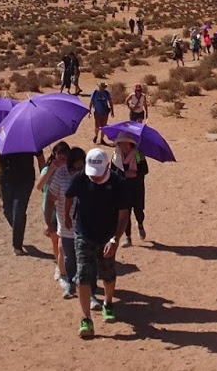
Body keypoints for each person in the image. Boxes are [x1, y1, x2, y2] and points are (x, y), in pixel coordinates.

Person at [63, 148, 132, 338]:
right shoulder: (81, 178)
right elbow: (69, 195)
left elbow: (124, 215)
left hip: (108, 236)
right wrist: (67, 216)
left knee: (107, 273)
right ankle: (86, 318)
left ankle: (108, 303)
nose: (93, 178)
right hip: (84, 233)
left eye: (98, 174)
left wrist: (115, 239)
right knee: (83, 274)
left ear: (107, 167)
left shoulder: (119, 184)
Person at [41, 144, 83, 299]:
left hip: (84, 223)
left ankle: (85, 286)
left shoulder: (89, 174)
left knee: (82, 254)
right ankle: (68, 281)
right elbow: (49, 198)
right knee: (65, 252)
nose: (76, 171)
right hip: (64, 222)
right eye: (74, 168)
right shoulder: (60, 174)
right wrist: (48, 221)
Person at [0, 141, 43, 255]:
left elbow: (40, 158)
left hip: (25, 180)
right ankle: (18, 228)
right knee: (8, 211)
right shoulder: (2, 136)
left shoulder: (29, 137)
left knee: (18, 211)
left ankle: (17, 245)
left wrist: (45, 178)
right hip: (6, 180)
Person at [112, 132, 149, 244]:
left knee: (138, 211)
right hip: (122, 188)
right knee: (125, 213)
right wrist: (123, 174)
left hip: (136, 187)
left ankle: (140, 224)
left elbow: (145, 170)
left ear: (131, 144)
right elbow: (112, 172)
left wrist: (134, 173)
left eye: (127, 143)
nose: (124, 146)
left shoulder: (138, 154)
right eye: (122, 144)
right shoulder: (115, 155)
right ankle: (128, 238)